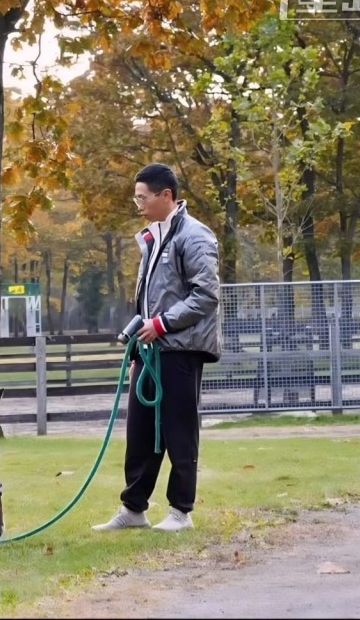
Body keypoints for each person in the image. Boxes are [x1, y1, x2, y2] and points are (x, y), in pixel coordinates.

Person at [93, 162, 222, 533]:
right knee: (141, 430)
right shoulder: (154, 238)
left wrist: (162, 324)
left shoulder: (194, 237)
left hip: (180, 349)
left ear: (166, 195)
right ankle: (134, 509)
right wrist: (139, 336)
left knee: (179, 431)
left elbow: (206, 294)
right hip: (150, 352)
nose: (138, 204)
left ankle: (181, 511)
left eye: (143, 197)